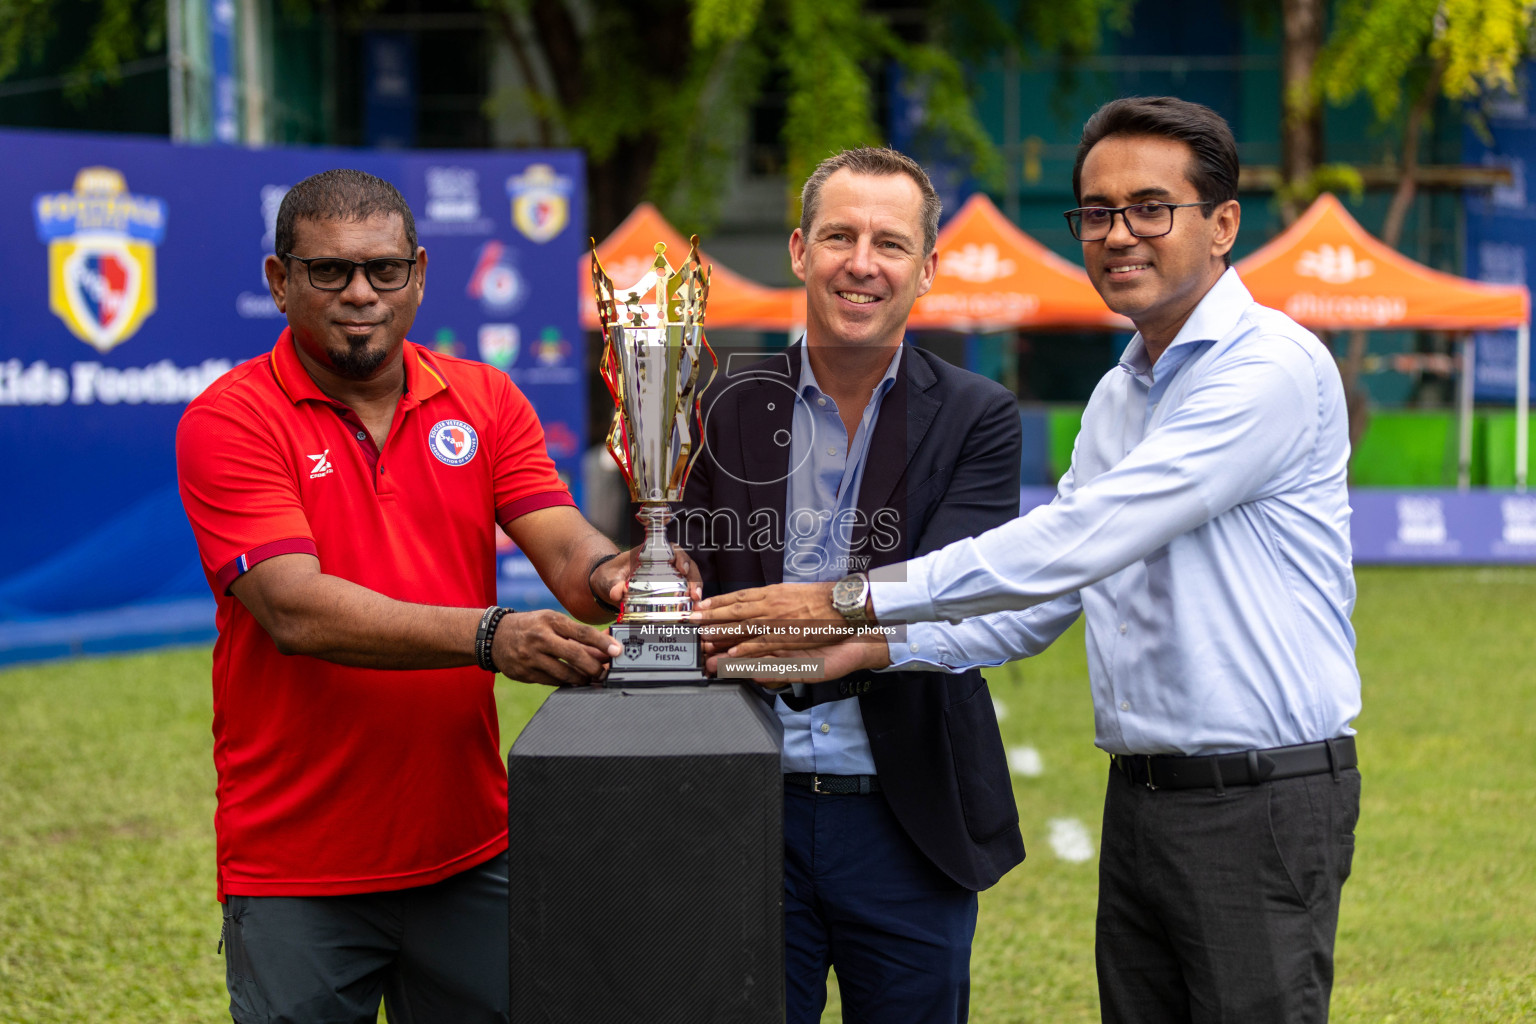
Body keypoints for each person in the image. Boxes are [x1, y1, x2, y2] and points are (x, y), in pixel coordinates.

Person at [696, 98, 1362, 1024]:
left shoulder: (1269, 368)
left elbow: (1081, 538)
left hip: (1259, 797)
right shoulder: (1120, 393)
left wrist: (844, 601)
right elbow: (1040, 603)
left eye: (1149, 208)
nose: (1118, 234)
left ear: (1223, 225)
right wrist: (874, 650)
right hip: (1144, 795)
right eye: (1096, 212)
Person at [175, 168, 675, 1024]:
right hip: (299, 867)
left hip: (469, 853)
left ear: (420, 272)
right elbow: (294, 609)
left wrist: (621, 573)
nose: (360, 293)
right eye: (329, 271)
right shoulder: (232, 420)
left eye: (384, 269)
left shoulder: (484, 398)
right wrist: (491, 636)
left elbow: (562, 543)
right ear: (279, 281)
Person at [679, 147, 1024, 1024]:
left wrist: (797, 635)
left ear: (928, 269)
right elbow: (688, 575)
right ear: (799, 250)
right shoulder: (718, 403)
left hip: (907, 820)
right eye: (839, 236)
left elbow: (948, 594)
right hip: (746, 811)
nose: (861, 263)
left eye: (889, 243)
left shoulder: (980, 415)